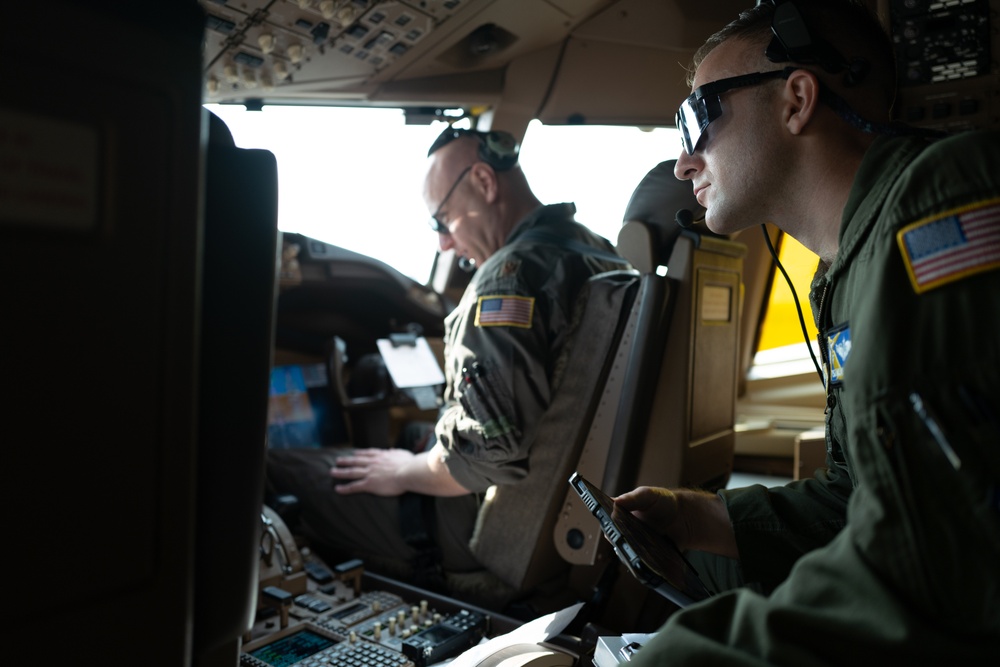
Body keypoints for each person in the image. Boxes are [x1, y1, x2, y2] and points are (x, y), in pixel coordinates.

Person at [616, 0, 1000, 663]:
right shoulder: (845, 271)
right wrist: (699, 515)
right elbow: (862, 494)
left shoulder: (942, 203)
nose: (682, 162)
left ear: (797, 99)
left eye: (695, 118)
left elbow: (940, 556)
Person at [266, 127, 624, 599]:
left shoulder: (505, 281)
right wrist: (419, 456)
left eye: (443, 220)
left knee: (276, 466)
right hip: (569, 511)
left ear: (484, 181)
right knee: (412, 440)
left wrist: (405, 472)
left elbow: (488, 452)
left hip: (494, 538)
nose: (444, 245)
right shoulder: (599, 253)